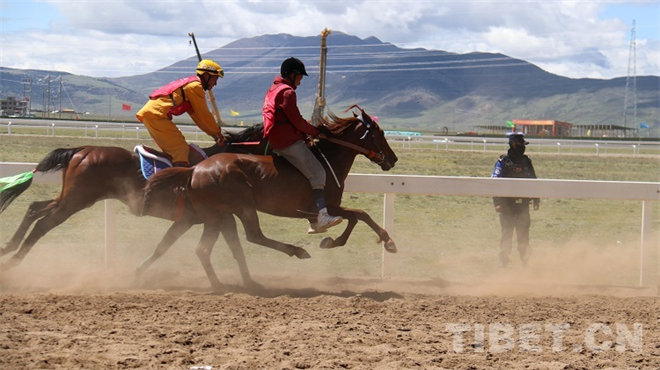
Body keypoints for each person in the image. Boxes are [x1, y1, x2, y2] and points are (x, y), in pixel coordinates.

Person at [262, 57, 342, 233]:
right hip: (287, 142)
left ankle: (313, 219)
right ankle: (320, 218)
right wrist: (316, 132)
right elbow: (297, 121)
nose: (300, 82)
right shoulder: (288, 92)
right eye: (299, 77)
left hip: (277, 140)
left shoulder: (274, 89)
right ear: (292, 74)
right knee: (318, 172)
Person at [137, 59, 225, 167]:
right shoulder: (195, 87)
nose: (215, 83)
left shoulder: (192, 86)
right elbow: (205, 114)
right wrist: (218, 132)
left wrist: (214, 134)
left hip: (153, 115)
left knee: (176, 149)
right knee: (180, 150)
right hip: (157, 115)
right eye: (215, 78)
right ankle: (178, 181)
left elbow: (198, 117)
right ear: (206, 75)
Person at [491, 133, 540, 267]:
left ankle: (526, 261)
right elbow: (495, 182)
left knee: (523, 233)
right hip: (506, 204)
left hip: (523, 205)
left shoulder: (526, 161)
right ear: (513, 145)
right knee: (507, 232)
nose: (523, 148)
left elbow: (533, 180)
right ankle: (504, 260)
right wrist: (497, 202)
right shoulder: (503, 161)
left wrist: (536, 198)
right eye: (521, 145)